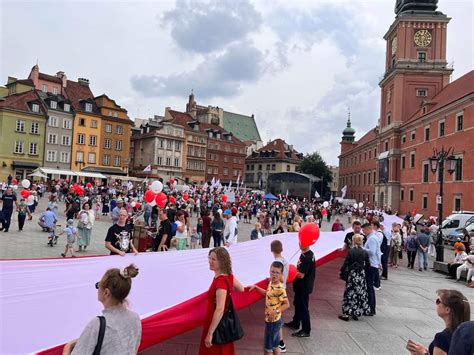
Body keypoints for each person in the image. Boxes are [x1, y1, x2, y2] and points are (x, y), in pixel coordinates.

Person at [62, 264, 142, 354]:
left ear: (106, 292)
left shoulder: (97, 324)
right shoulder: (135, 318)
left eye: (99, 285)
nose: (97, 288)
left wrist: (67, 347)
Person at [199, 247, 245, 355]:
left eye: (213, 259)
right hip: (222, 324)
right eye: (209, 258)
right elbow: (241, 289)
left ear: (221, 261)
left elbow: (219, 309)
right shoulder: (228, 276)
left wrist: (210, 333)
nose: (210, 261)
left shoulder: (220, 282)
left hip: (216, 323)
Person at [406, 289, 470, 355]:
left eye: (438, 301)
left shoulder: (443, 338)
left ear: (447, 309)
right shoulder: (469, 333)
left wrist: (423, 353)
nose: (436, 304)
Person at [249, 262, 290, 355]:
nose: (274, 274)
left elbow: (287, 304)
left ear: (281, 274)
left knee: (267, 350)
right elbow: (267, 294)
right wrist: (256, 287)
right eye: (272, 272)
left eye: (277, 273)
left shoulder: (280, 288)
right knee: (275, 346)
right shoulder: (271, 283)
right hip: (272, 320)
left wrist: (276, 311)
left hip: (273, 322)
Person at [284, 238, 316, 338]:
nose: (299, 244)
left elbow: (301, 274)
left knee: (303, 307)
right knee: (297, 304)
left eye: (301, 243)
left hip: (303, 286)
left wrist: (288, 271)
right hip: (300, 286)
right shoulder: (305, 254)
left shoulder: (307, 256)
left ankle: (306, 330)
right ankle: (296, 322)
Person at [338, 234, 371, 321]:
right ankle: (356, 312)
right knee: (359, 293)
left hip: (352, 274)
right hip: (361, 274)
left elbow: (346, 263)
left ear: (354, 241)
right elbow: (368, 264)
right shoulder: (365, 252)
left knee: (349, 293)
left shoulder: (351, 251)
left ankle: (346, 313)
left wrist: (341, 271)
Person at [271, 240, 288, 353]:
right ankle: (279, 341)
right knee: (278, 316)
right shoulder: (285, 261)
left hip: (277, 291)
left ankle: (280, 342)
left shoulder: (277, 262)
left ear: (272, 250)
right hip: (283, 289)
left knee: (276, 317)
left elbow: (280, 278)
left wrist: (273, 277)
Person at [362, 222, 380, 316]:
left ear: (368, 229)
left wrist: (362, 248)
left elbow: (372, 252)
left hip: (371, 265)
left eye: (364, 230)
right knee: (369, 287)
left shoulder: (372, 238)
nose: (363, 232)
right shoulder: (371, 237)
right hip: (372, 264)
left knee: (369, 287)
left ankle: (371, 308)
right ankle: (369, 307)